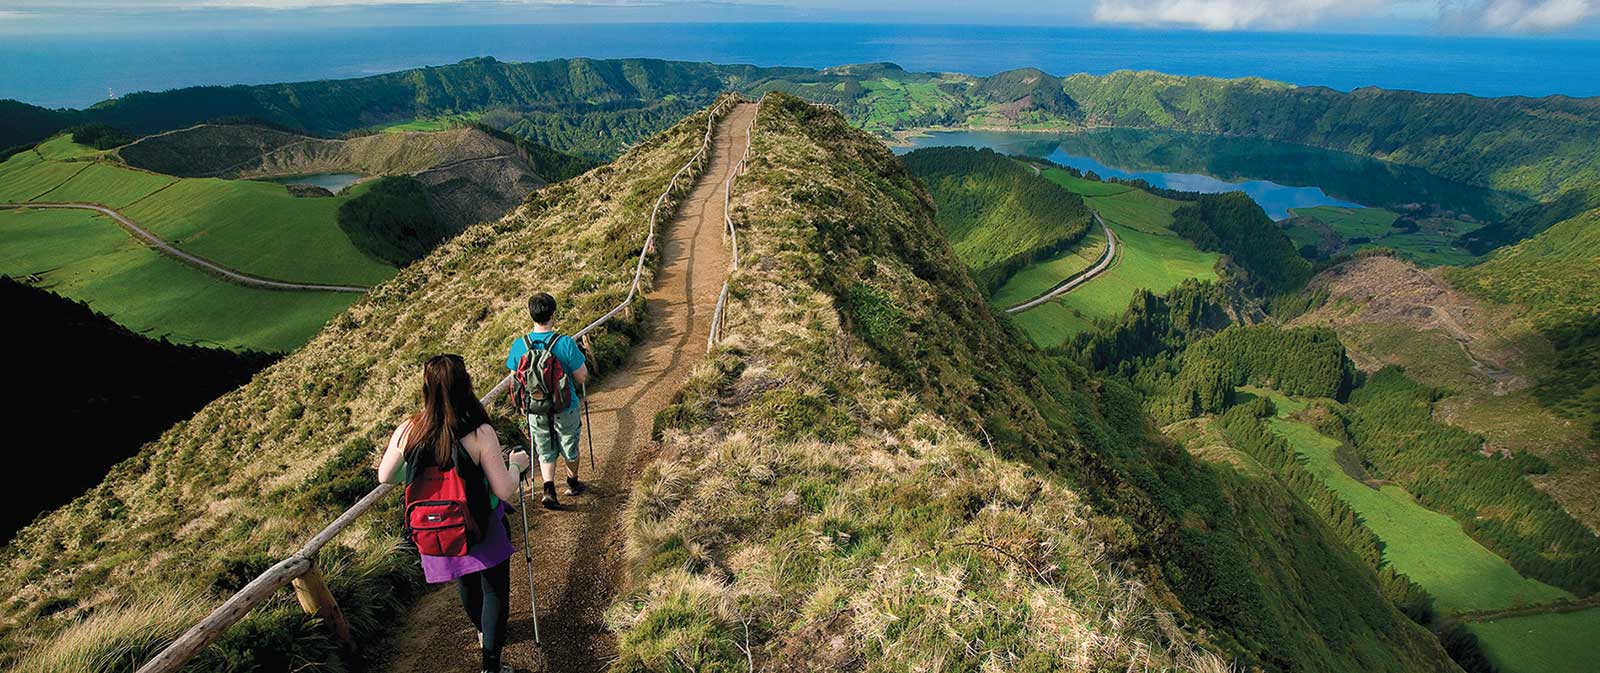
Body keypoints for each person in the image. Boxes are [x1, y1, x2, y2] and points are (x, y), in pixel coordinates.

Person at [378, 354, 532, 673]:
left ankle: (481, 632)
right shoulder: (478, 432)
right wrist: (517, 466)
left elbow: (386, 476)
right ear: (466, 384)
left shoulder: (409, 430)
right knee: (494, 591)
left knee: (466, 581)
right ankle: (491, 664)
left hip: (438, 527)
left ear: (426, 388)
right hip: (482, 524)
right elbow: (503, 489)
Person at [505, 292, 590, 510]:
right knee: (569, 446)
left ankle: (549, 489)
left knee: (544, 448)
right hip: (565, 406)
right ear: (553, 314)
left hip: (535, 409)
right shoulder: (565, 343)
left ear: (530, 315)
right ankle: (572, 482)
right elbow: (581, 377)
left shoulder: (519, 345)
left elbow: (515, 379)